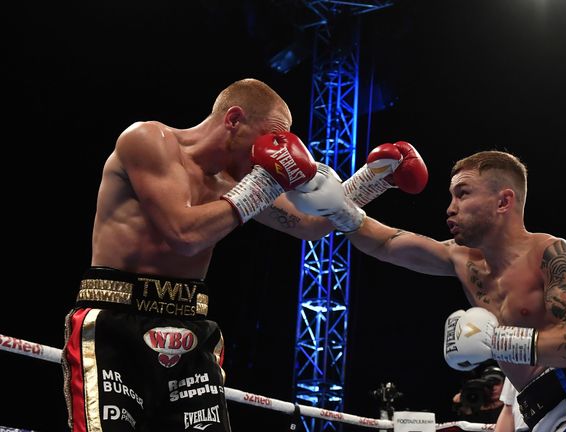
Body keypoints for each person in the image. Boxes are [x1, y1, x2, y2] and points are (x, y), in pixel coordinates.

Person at [61, 77, 427, 432]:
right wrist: (265, 184)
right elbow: (183, 234)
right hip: (117, 320)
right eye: (269, 137)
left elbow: (308, 226)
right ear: (234, 119)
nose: (270, 151)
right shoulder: (148, 140)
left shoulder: (236, 183)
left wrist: (373, 179)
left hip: (189, 327)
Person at [285, 150, 566, 432]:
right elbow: (387, 243)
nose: (450, 208)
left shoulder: (553, 254)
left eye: (462, 194)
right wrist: (340, 209)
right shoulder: (463, 261)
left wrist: (500, 342)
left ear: (503, 201)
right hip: (539, 412)